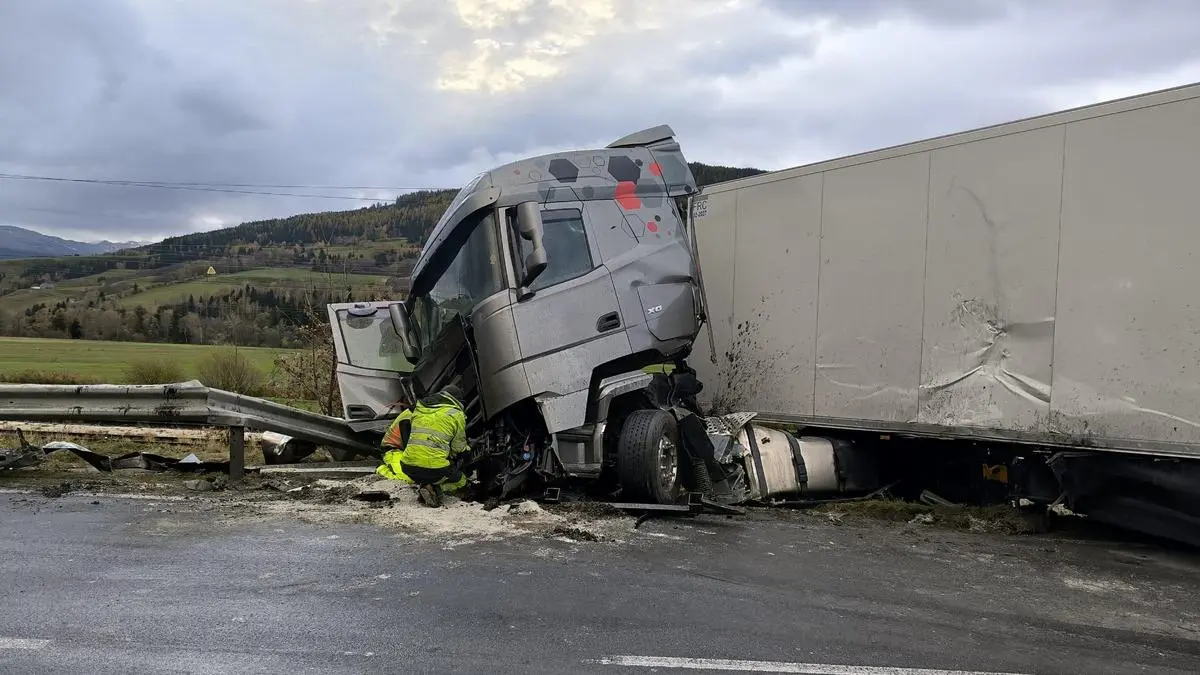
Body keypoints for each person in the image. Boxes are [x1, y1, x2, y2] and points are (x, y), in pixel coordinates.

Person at [375, 384, 472, 507]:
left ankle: (429, 487)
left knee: (420, 474)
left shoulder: (421, 410)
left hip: (411, 458)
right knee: (406, 478)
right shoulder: (409, 415)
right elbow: (410, 444)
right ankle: (381, 469)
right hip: (394, 449)